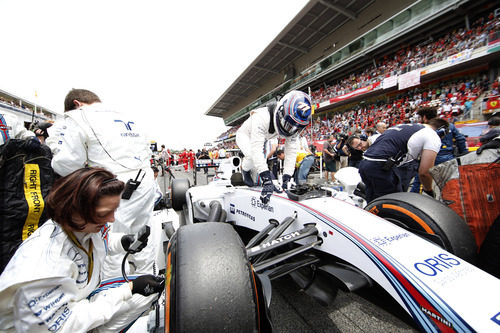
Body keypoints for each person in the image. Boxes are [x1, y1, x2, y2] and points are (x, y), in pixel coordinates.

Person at [0, 168, 164, 332]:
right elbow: (64, 326)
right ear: (75, 209)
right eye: (104, 213)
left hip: (77, 300)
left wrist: (122, 242)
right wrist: (128, 289)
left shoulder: (81, 224)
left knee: (151, 289)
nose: (112, 219)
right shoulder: (43, 269)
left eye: (114, 210)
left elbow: (99, 242)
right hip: (53, 326)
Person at [46, 88, 157, 280]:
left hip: (113, 185)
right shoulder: (124, 114)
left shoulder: (79, 116)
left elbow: (68, 164)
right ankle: (149, 283)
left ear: (76, 104)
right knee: (143, 234)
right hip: (145, 179)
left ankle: (117, 291)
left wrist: (54, 145)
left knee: (109, 239)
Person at [236, 90, 313, 203]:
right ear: (281, 112)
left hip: (266, 136)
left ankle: (252, 170)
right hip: (245, 135)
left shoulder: (294, 126)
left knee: (258, 157)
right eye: (288, 125)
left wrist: (287, 177)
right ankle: (245, 170)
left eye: (295, 127)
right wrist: (267, 180)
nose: (291, 130)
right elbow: (256, 149)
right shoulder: (261, 117)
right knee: (252, 156)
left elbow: (291, 152)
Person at [347, 118, 448, 202]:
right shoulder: (432, 135)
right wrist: (429, 191)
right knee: (392, 203)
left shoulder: (407, 126)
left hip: (365, 163)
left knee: (373, 200)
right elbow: (424, 172)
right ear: (442, 131)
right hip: (380, 166)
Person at [410, 106, 467, 193]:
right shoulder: (450, 126)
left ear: (424, 117)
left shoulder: (423, 129)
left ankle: (413, 203)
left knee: (420, 184)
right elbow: (461, 139)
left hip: (429, 160)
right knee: (450, 185)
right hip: (448, 159)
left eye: (420, 117)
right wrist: (463, 153)